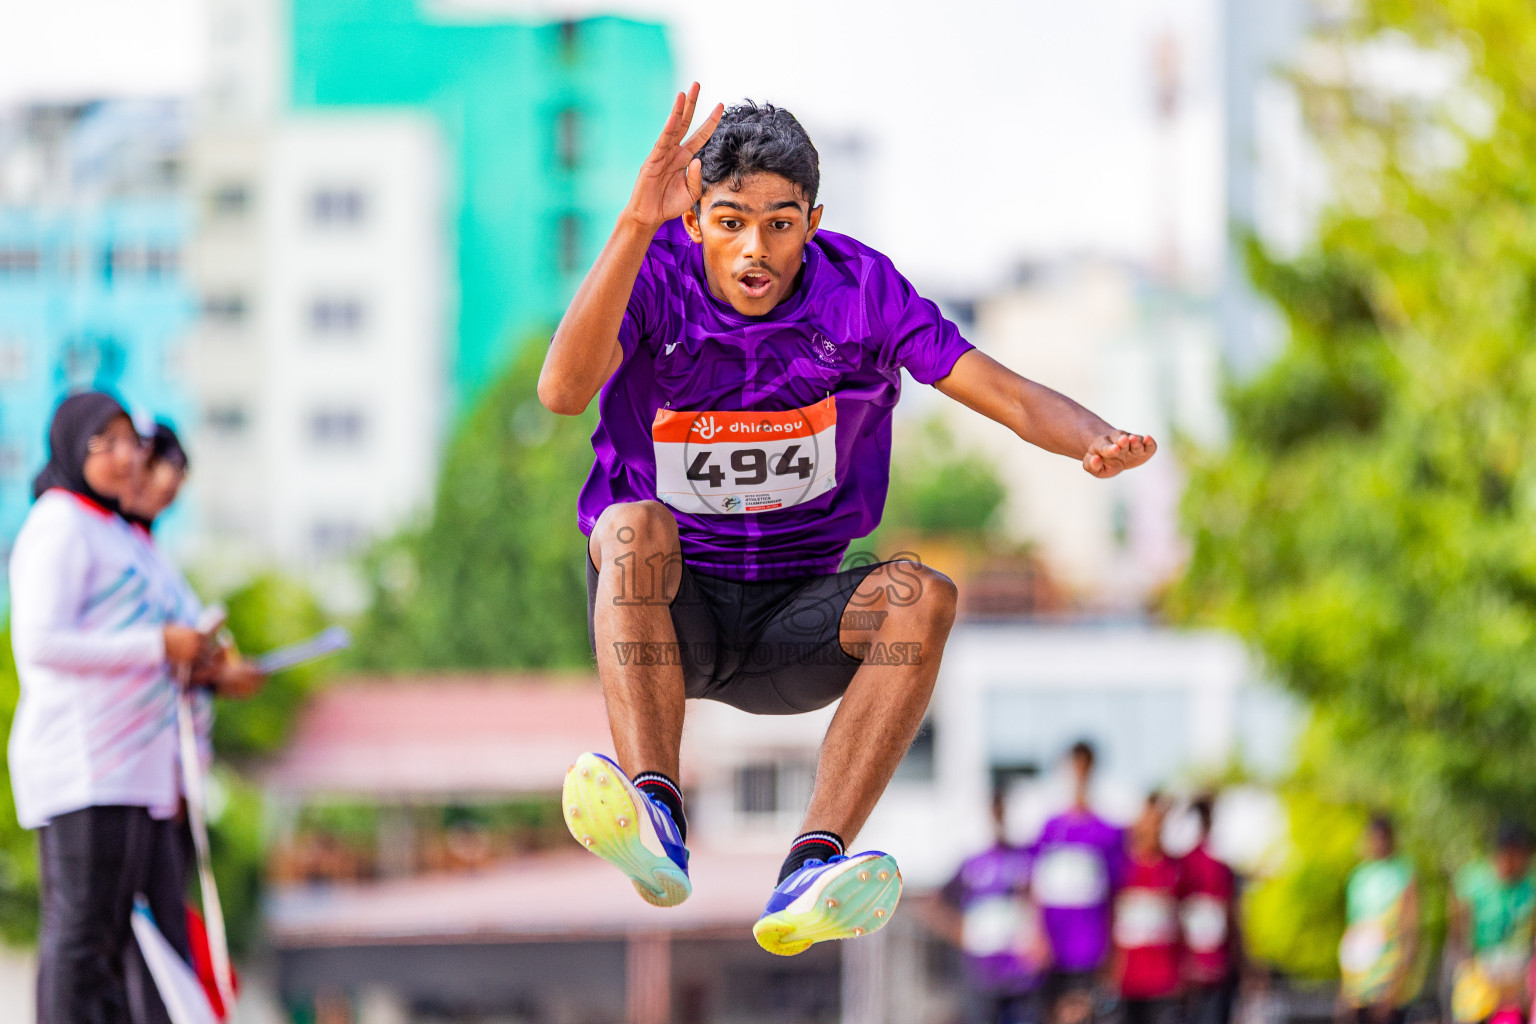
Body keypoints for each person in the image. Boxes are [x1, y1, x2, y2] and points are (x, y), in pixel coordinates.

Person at [541, 84, 1157, 957]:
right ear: (694, 220)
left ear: (814, 220)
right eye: (729, 222)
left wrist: (1093, 437)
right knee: (635, 528)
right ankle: (656, 812)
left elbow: (1003, 390)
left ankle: (812, 864)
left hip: (796, 622)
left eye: (781, 224)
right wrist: (635, 223)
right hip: (669, 624)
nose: (756, 250)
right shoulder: (655, 278)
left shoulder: (859, 293)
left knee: (921, 596)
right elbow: (563, 393)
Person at [8, 393, 220, 1023]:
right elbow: (40, 641)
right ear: (74, 448)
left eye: (133, 441)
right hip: (84, 762)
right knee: (80, 938)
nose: (129, 456)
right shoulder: (59, 524)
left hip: (129, 767)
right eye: (111, 443)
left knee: (110, 942)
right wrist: (158, 644)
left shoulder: (109, 530)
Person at [119, 422, 264, 1023]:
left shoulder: (151, 555)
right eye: (157, 485)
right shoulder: (107, 552)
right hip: (126, 772)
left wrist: (214, 667)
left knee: (165, 930)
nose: (163, 500)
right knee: (118, 934)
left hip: (170, 777)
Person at [936, 785, 1050, 1024]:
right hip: (982, 973)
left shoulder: (1022, 859)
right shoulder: (972, 864)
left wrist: (1039, 938)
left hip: (1020, 972)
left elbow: (1034, 901)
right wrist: (960, 932)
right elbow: (936, 902)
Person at [1032, 742, 1126, 1024]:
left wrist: (1113, 946)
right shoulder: (1049, 828)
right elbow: (1035, 888)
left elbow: (1115, 893)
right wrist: (1035, 934)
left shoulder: (1108, 832)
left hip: (1089, 945)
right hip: (1053, 944)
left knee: (1082, 1013)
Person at [1449, 821, 1536, 1024]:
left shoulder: (1529, 887)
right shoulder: (1473, 882)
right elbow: (1458, 931)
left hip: (1518, 973)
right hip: (1480, 969)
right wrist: (1473, 969)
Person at [1338, 814, 1419, 1024]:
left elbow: (1409, 930)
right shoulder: (1357, 878)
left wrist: (1397, 981)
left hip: (1389, 979)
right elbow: (1352, 933)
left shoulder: (1403, 874)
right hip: (1360, 980)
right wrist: (1345, 986)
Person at [1112, 793, 1183, 1024]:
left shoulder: (1175, 869)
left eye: (1159, 822)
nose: (1154, 828)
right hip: (1130, 979)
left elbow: (1182, 924)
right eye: (1149, 821)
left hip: (1165, 979)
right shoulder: (1124, 868)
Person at [1178, 795, 1244, 1024]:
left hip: (1215, 968)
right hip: (1191, 971)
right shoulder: (1184, 865)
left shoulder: (1215, 866)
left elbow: (1230, 916)